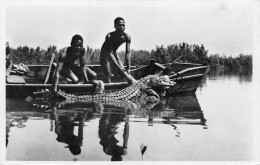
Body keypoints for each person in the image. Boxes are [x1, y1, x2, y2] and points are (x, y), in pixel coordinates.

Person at [100, 17, 136, 83]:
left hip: (114, 52)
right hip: (105, 54)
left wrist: (128, 68)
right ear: (115, 26)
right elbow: (110, 55)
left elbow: (127, 53)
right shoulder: (109, 36)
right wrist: (121, 70)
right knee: (109, 75)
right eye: (119, 25)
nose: (121, 27)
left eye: (123, 25)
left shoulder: (127, 36)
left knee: (123, 72)